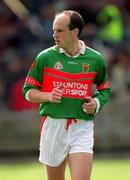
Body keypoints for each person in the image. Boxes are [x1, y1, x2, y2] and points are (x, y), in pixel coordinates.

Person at [22, 10, 111, 180]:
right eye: (54, 30)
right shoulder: (45, 57)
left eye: (60, 30)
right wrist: (47, 96)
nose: (54, 34)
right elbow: (27, 91)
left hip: (82, 127)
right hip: (53, 127)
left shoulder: (96, 59)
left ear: (75, 31)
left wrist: (96, 104)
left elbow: (104, 89)